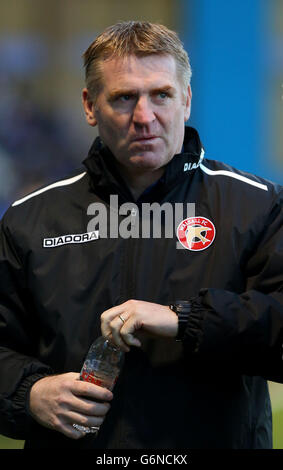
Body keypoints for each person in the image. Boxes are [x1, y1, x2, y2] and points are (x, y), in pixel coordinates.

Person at [0, 21, 282, 450]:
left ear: (186, 100)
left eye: (161, 95)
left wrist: (184, 319)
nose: (145, 117)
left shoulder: (258, 205)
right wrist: (30, 393)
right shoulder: (30, 220)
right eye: (124, 97)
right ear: (90, 105)